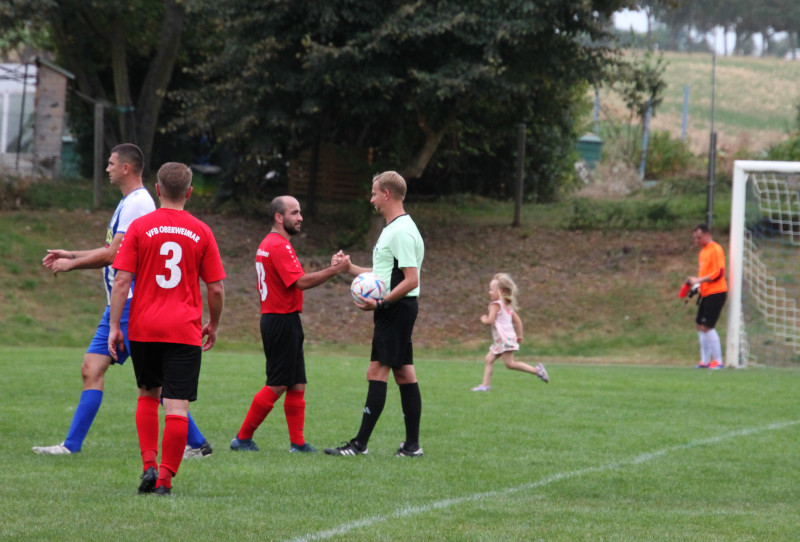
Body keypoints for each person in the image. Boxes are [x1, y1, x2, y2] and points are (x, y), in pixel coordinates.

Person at [32, 144, 212, 458]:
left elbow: (114, 256)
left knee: (151, 382)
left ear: (127, 168)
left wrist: (71, 265)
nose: (107, 168)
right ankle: (71, 446)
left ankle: (195, 443)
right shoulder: (130, 202)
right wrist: (72, 253)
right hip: (120, 304)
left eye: (112, 163)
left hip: (132, 304)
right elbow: (112, 248)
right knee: (93, 369)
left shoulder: (138, 203)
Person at [108, 162, 225, 495]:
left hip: (143, 327)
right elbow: (215, 288)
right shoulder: (202, 231)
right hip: (184, 330)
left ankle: (148, 465)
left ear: (158, 190)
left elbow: (122, 281)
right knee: (176, 406)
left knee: (148, 395)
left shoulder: (140, 227)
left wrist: (116, 326)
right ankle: (164, 481)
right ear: (190, 192)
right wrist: (213, 325)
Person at [230, 196, 351, 454]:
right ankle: (242, 438)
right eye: (294, 213)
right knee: (278, 383)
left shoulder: (271, 243)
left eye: (300, 212)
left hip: (284, 318)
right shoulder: (277, 245)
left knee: (297, 383)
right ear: (279, 217)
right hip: (280, 320)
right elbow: (301, 282)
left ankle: (297, 443)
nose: (300, 217)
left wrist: (332, 269)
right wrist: (336, 271)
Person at [325, 171, 425, 458]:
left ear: (387, 195)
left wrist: (381, 305)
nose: (371, 199)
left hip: (396, 309)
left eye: (373, 193)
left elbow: (411, 280)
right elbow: (382, 275)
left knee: (376, 371)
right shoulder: (392, 228)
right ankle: (412, 446)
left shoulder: (402, 231)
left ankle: (359, 445)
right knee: (405, 374)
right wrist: (349, 268)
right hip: (396, 309)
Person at [471, 273, 548, 391]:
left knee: (510, 364)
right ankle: (485, 386)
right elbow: (518, 322)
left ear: (500, 291)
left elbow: (490, 321)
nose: (489, 292)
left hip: (503, 339)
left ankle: (537, 370)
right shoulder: (507, 306)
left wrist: (484, 319)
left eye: (491, 289)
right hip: (505, 339)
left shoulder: (495, 305)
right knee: (489, 359)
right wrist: (520, 335)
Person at [688, 223, 727, 370]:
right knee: (699, 324)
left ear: (707, 234)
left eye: (698, 237)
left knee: (707, 325)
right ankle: (705, 361)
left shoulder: (715, 249)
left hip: (717, 292)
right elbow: (705, 275)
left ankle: (718, 361)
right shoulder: (703, 252)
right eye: (695, 238)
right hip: (706, 292)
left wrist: (699, 280)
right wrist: (697, 286)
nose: (696, 241)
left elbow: (718, 273)